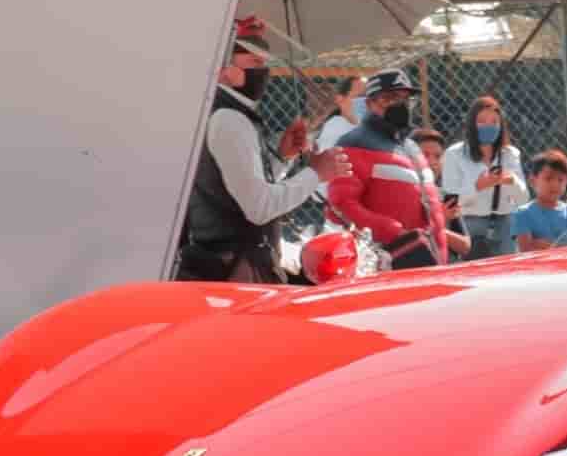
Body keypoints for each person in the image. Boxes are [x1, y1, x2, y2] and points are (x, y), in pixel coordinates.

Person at [178, 18, 350, 282]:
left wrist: (282, 157)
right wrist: (315, 174)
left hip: (230, 264)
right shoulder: (229, 119)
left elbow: (236, 192)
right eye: (254, 61)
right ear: (222, 68)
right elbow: (258, 207)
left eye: (265, 61)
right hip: (236, 270)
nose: (264, 69)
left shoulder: (228, 114)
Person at [326, 68, 447, 270]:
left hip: (430, 263)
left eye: (404, 98)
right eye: (389, 98)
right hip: (385, 265)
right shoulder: (352, 144)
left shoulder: (412, 147)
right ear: (369, 103)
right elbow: (339, 205)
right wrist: (391, 231)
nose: (399, 104)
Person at [439, 94, 527, 258]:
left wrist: (511, 181)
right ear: (472, 124)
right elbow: (451, 201)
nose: (489, 126)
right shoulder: (454, 154)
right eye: (482, 121)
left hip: (504, 226)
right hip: (469, 226)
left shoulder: (510, 154)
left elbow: (523, 198)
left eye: (494, 121)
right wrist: (478, 186)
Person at [411, 129, 471, 258]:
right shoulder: (402, 192)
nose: (432, 161)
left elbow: (465, 246)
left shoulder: (445, 196)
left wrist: (437, 227)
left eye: (437, 156)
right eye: (425, 155)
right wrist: (439, 221)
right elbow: (408, 236)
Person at [510, 150, 567, 250]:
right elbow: (526, 249)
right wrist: (563, 246)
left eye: (560, 180)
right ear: (532, 181)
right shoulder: (522, 213)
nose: (555, 184)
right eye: (548, 178)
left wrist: (545, 245)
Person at [316, 76, 364, 151]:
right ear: (340, 99)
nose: (364, 101)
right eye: (358, 96)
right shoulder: (335, 125)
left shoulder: (371, 126)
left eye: (366, 96)